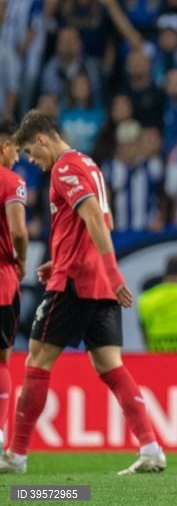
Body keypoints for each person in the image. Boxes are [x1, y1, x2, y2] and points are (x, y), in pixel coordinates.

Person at [0, 110, 166, 475]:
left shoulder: (64, 167)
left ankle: (16, 455)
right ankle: (151, 447)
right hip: (94, 282)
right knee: (110, 365)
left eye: (30, 151)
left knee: (36, 361)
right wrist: (58, 259)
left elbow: (94, 218)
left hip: (77, 282)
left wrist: (112, 271)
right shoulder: (87, 163)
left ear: (42, 139)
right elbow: (96, 222)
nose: (31, 161)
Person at [0, 117, 27, 451]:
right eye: (16, 150)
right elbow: (19, 231)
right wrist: (22, 260)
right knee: (1, 360)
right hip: (2, 280)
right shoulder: (11, 181)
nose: (18, 157)